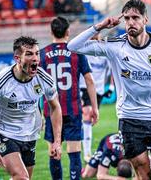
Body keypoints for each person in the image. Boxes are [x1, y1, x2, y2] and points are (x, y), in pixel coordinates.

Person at [68, 0, 151, 180]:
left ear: (145, 20)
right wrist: (100, 26)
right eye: (127, 18)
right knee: (143, 175)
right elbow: (73, 46)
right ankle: (148, 164)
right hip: (130, 120)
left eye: (135, 17)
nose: (131, 22)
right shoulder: (115, 46)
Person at [0, 36, 62, 180]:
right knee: (22, 176)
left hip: (30, 134)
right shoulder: (1, 81)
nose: (35, 58)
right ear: (17, 58)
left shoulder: (44, 79)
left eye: (37, 53)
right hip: (4, 133)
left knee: (23, 178)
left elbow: (55, 107)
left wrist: (57, 141)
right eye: (29, 54)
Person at [39, 16, 99, 180]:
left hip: (50, 111)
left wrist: (38, 114)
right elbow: (89, 81)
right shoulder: (76, 51)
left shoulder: (41, 55)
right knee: (74, 153)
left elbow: (35, 88)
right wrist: (94, 108)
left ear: (51, 31)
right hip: (72, 109)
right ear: (68, 32)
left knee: (54, 152)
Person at [80, 33, 115, 163]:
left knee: (91, 119)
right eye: (92, 38)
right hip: (84, 87)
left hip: (98, 90)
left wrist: (111, 87)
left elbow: (112, 70)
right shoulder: (84, 51)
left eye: (97, 38)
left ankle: (83, 132)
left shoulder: (103, 52)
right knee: (88, 115)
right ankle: (87, 154)